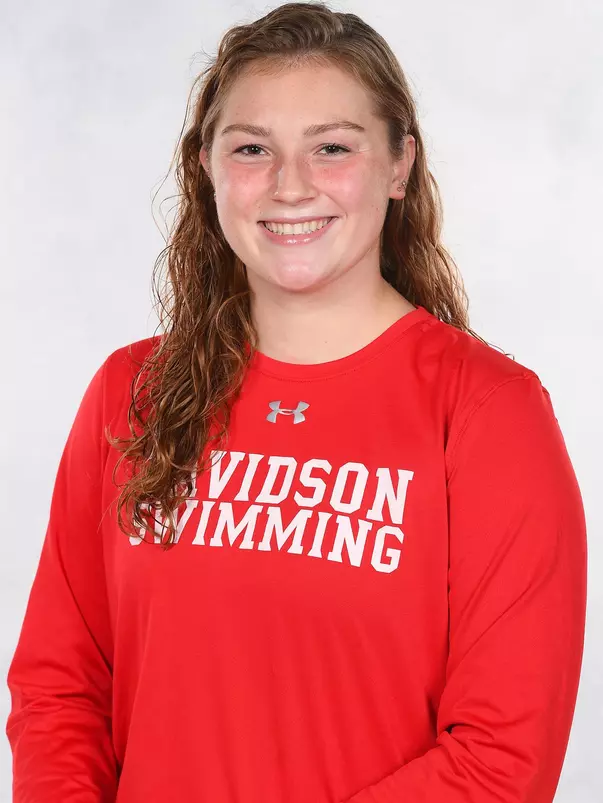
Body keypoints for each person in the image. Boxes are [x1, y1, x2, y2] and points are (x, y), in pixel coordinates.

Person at [5, 2, 587, 802]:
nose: (289, 185)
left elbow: (500, 760)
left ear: (398, 166)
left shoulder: (488, 413)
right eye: (252, 148)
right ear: (206, 167)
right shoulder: (132, 390)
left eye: (332, 147)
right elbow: (60, 688)